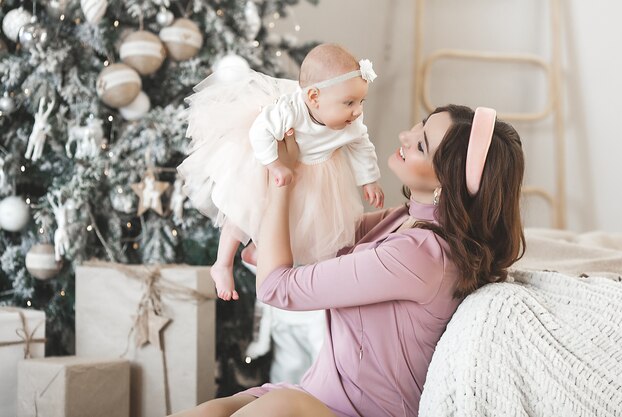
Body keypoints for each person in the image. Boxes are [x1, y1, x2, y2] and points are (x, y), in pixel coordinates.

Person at [169, 104, 526, 417]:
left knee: (278, 408)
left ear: (445, 184)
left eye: (421, 145)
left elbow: (277, 288)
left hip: (356, 412)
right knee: (210, 411)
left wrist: (283, 179)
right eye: (419, 125)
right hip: (315, 396)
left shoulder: (419, 256)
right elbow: (314, 235)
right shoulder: (402, 219)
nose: (405, 135)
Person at [178, 44, 384, 301]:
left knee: (300, 220)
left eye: (361, 101)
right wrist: (274, 164)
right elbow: (259, 132)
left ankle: (258, 251)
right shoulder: (289, 110)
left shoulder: (351, 122)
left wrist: (369, 180)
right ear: (314, 98)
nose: (357, 111)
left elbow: (361, 145)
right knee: (245, 210)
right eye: (349, 102)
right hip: (266, 161)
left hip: (316, 173)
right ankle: (223, 263)